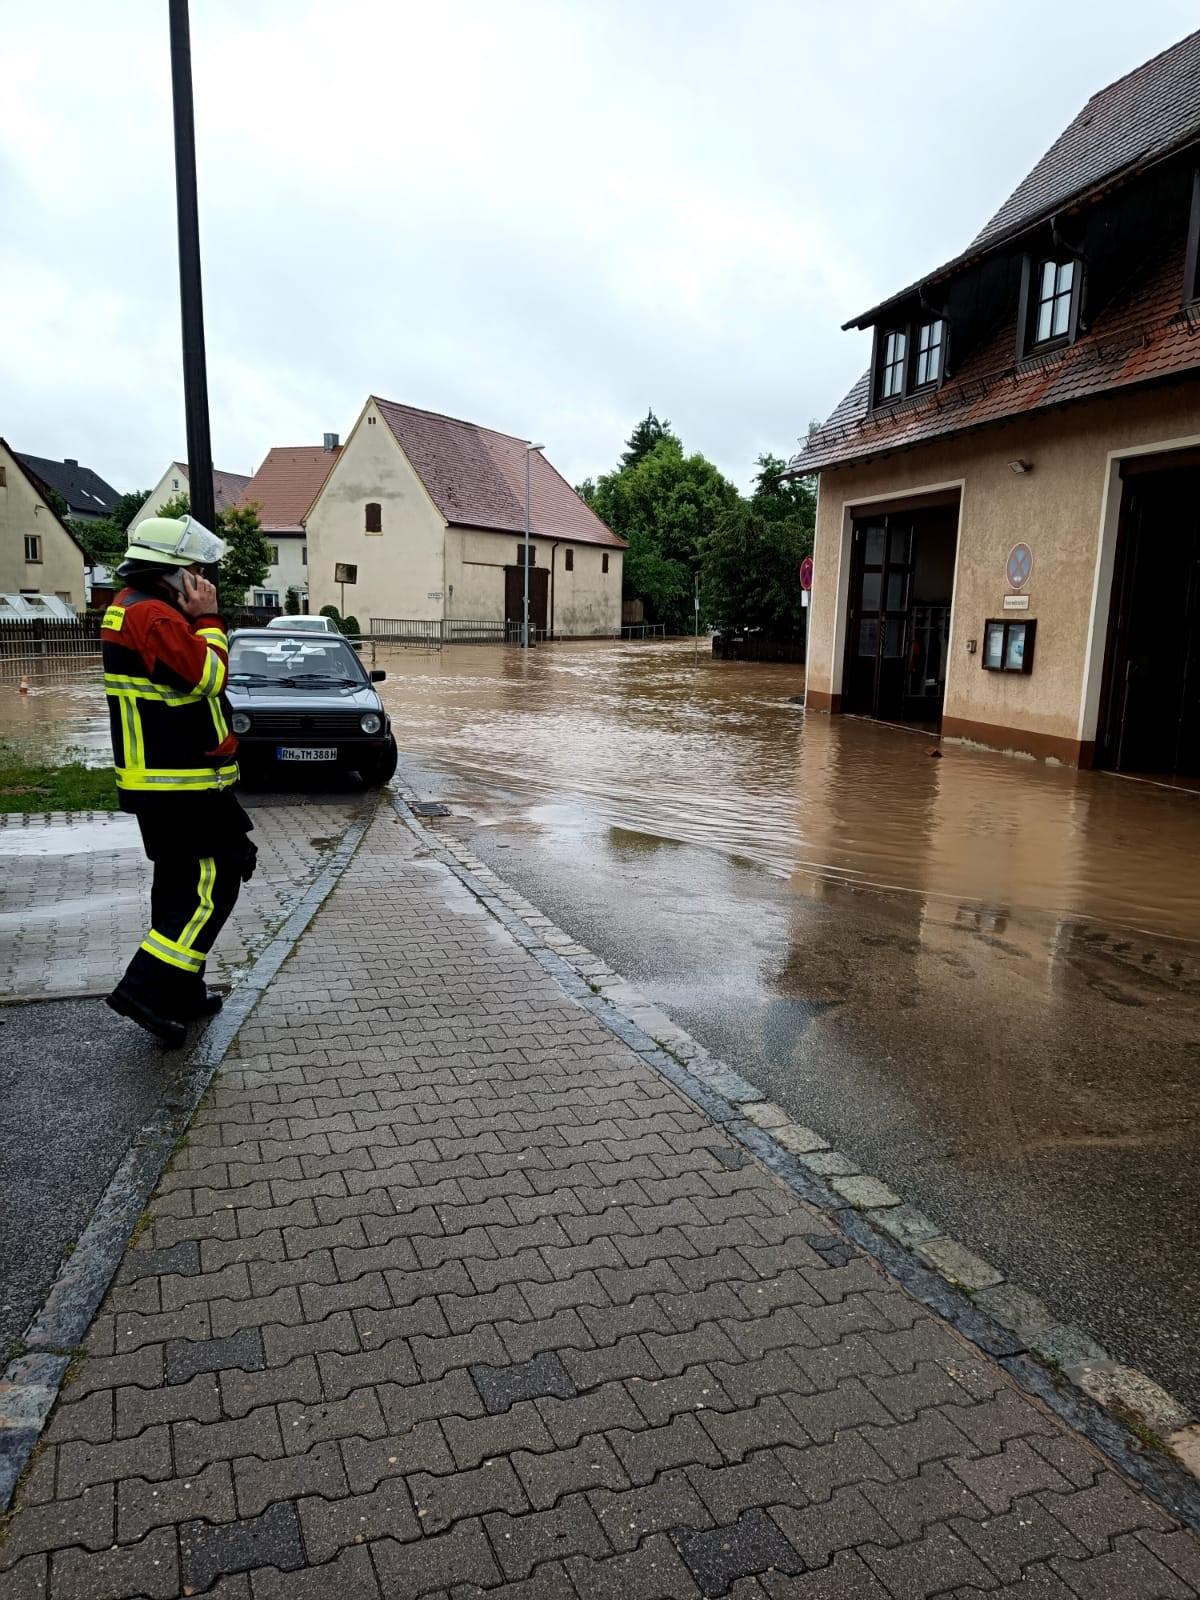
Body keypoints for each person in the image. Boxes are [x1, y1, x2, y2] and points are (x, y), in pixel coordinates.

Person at [102, 515, 257, 1047]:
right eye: (195, 570)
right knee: (214, 883)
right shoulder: (154, 616)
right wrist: (209, 618)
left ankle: (183, 990)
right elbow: (210, 676)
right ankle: (143, 990)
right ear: (171, 572)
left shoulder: (136, 607)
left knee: (179, 885)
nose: (202, 579)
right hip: (180, 783)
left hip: (172, 781)